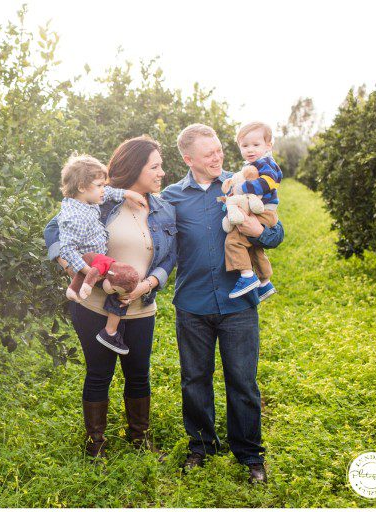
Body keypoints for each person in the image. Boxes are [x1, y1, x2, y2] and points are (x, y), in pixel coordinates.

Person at [161, 123, 285, 484]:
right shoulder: (171, 196)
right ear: (188, 159)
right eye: (208, 153)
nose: (218, 157)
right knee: (194, 379)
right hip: (193, 303)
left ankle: (249, 454)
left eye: (218, 150)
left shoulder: (239, 183)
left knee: (242, 382)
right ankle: (201, 446)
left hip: (238, 304)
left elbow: (276, 234)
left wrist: (256, 229)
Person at [44, 136, 177, 459]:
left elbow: (169, 257)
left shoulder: (163, 209)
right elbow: (55, 231)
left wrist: (145, 286)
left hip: (141, 307)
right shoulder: (101, 199)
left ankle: (139, 437)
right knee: (99, 373)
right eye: (155, 167)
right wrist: (74, 269)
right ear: (136, 168)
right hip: (95, 306)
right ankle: (96, 444)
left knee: (138, 374)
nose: (162, 173)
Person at [57, 154, 147, 355]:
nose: (103, 190)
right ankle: (110, 331)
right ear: (82, 186)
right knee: (126, 279)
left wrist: (126, 194)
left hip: (95, 262)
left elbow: (108, 194)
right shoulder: (76, 216)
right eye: (99, 185)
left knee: (116, 281)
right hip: (93, 262)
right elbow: (67, 249)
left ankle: (78, 289)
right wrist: (88, 271)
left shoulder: (85, 201)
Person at [223, 121, 283, 300]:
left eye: (256, 145)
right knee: (254, 249)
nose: (250, 149)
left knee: (233, 241)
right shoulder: (252, 165)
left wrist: (243, 188)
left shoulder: (265, 163)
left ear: (268, 145)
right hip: (260, 210)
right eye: (245, 145)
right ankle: (265, 283)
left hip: (263, 211)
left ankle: (247, 276)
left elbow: (270, 182)